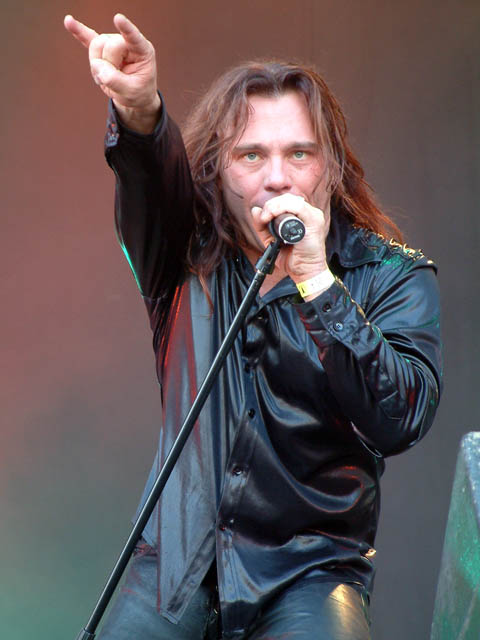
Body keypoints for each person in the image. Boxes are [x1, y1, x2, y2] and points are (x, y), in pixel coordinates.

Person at [64, 13, 443, 640]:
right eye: (251, 155)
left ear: (331, 166)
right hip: (176, 566)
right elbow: (148, 181)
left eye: (300, 153)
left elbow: (401, 416)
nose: (277, 177)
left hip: (311, 570)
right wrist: (139, 111)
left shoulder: (391, 275)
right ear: (219, 169)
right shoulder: (183, 250)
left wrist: (319, 283)